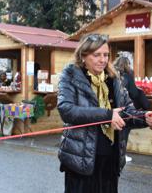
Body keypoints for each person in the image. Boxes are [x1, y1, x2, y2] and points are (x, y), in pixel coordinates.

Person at [57, 33, 152, 193]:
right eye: (96, 55)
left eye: (106, 55)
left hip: (110, 159)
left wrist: (144, 118)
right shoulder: (70, 75)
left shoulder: (114, 78)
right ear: (83, 55)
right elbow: (66, 110)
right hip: (81, 160)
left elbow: (125, 111)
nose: (103, 60)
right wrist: (107, 115)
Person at [113, 55, 151, 162]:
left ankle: (117, 154)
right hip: (125, 106)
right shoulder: (128, 74)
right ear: (127, 64)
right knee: (124, 130)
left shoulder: (113, 73)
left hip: (113, 108)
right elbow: (133, 92)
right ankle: (122, 155)